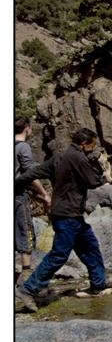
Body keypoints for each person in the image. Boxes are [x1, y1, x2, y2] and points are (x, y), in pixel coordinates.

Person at [15, 128, 112, 313]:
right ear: (84, 144)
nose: (93, 149)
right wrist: (104, 173)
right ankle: (28, 289)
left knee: (90, 248)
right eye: (92, 145)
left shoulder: (59, 157)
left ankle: (98, 285)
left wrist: (14, 185)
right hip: (69, 215)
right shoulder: (78, 158)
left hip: (67, 214)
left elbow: (33, 173)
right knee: (59, 255)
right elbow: (92, 181)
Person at [15, 116, 51, 285]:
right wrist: (44, 193)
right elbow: (30, 173)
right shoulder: (23, 147)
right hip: (17, 196)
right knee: (25, 230)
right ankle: (26, 276)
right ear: (27, 128)